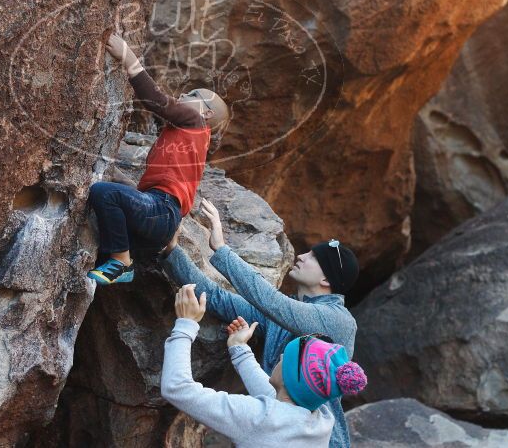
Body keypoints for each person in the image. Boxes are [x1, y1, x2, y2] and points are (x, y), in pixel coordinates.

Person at [161, 198, 360, 447]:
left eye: (314, 256)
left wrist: (221, 248)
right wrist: (170, 252)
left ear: (327, 279)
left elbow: (274, 303)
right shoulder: (284, 317)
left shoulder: (339, 321)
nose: (301, 256)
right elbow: (221, 300)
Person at [87, 33, 230, 285]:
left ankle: (121, 263)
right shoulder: (186, 140)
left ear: (205, 113)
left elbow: (156, 101)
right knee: (106, 211)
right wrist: (120, 178)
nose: (185, 93)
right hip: (156, 224)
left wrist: (128, 58)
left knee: (104, 194)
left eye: (194, 94)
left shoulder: (195, 122)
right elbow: (160, 188)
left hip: (161, 213)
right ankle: (116, 259)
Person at [161, 284, 367, 447]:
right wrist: (239, 349)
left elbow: (177, 388)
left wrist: (186, 324)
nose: (280, 356)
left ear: (289, 378)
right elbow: (275, 400)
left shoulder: (259, 417)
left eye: (285, 357)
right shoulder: (321, 420)